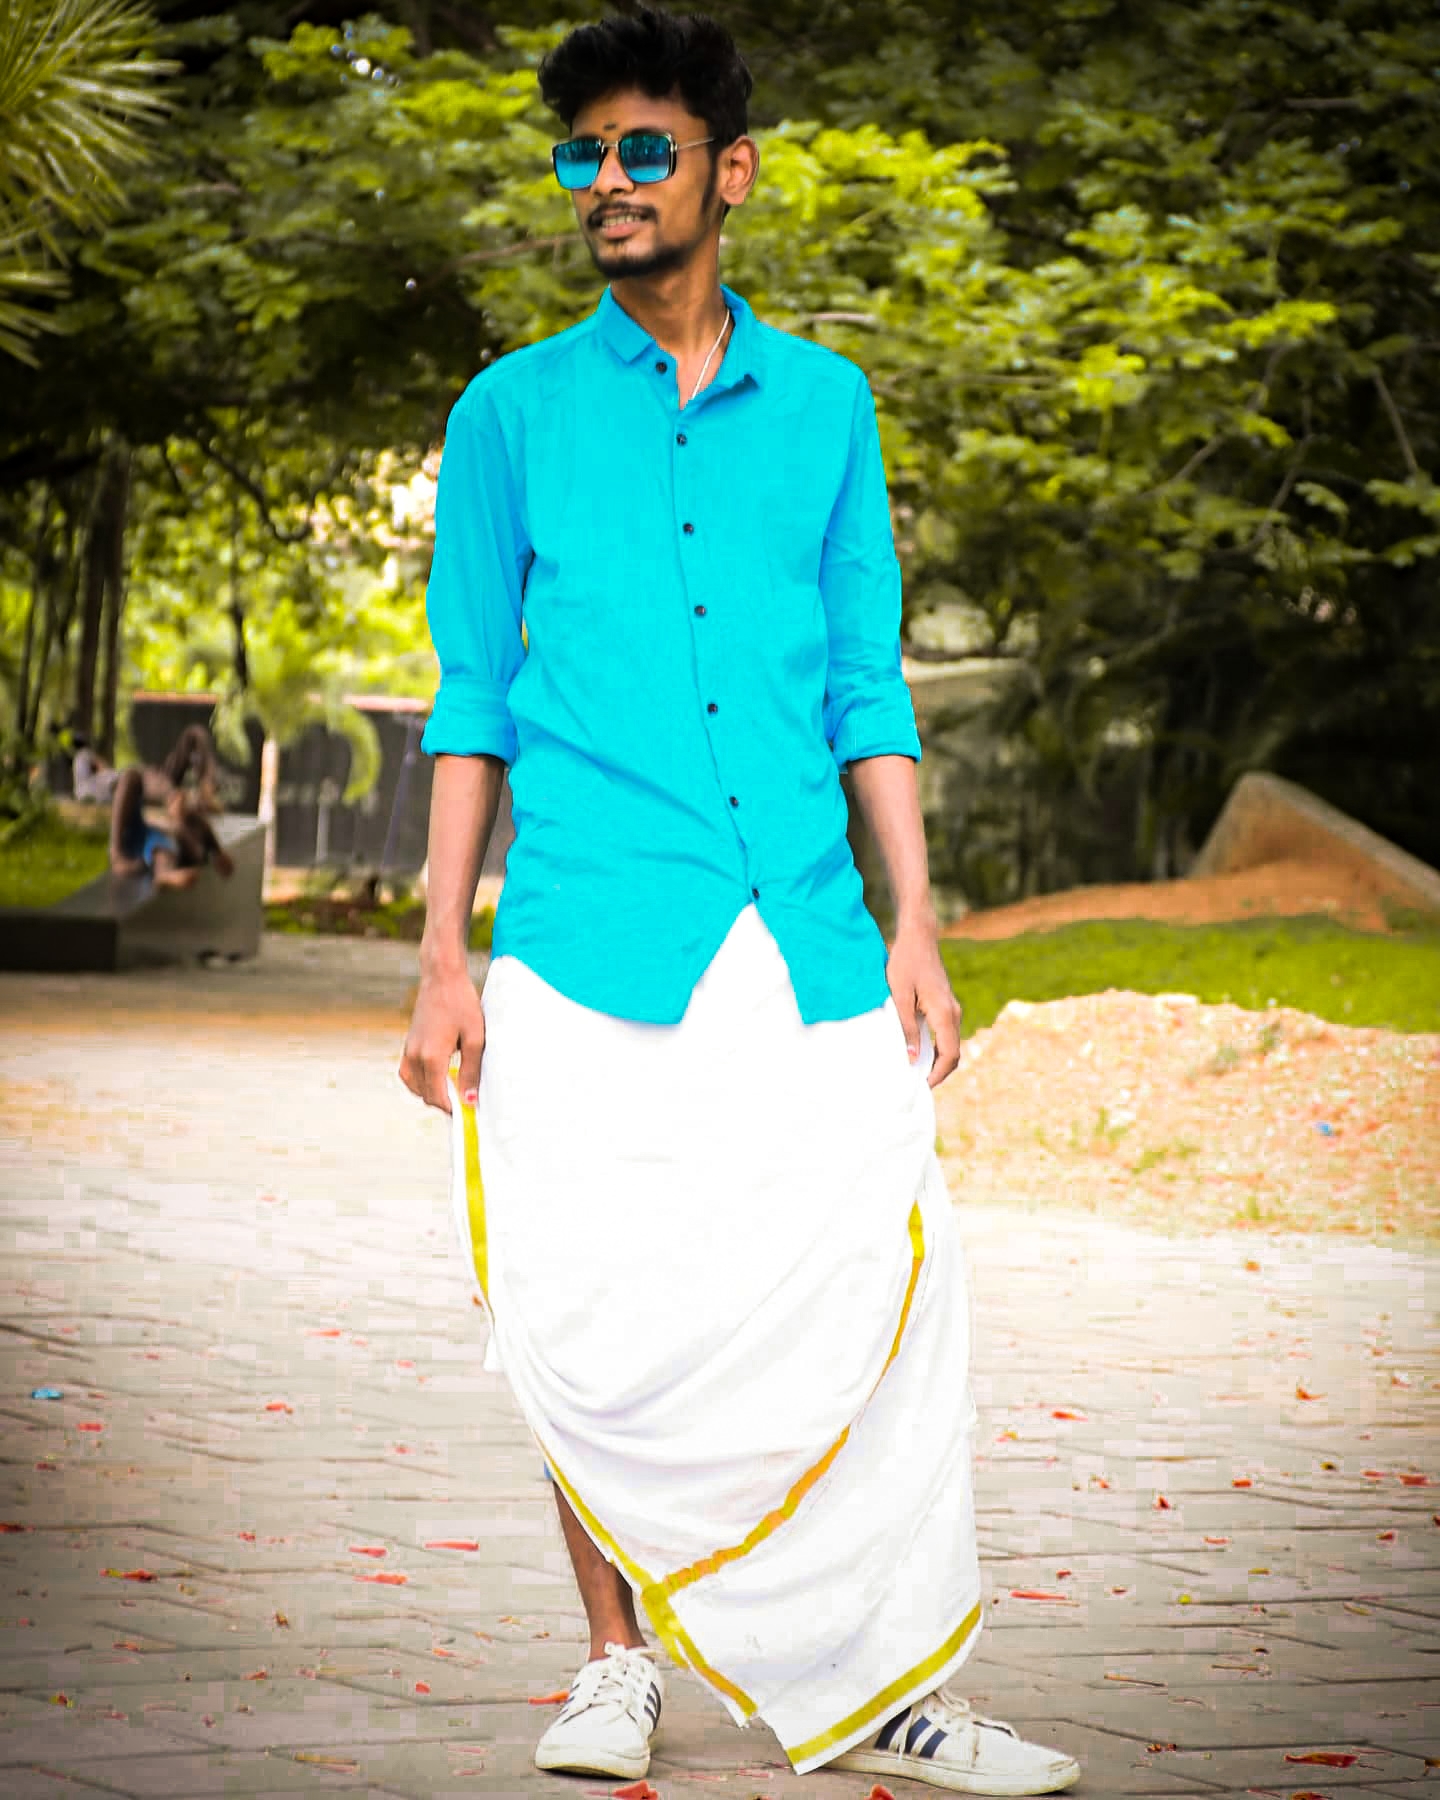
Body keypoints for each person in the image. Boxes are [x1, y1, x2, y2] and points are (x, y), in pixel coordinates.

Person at [400, 9, 1079, 1794]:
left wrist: (915, 919)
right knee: (591, 1308)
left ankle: (896, 1685)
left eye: (645, 149)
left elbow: (867, 683)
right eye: (584, 155)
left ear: (732, 172)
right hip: (585, 929)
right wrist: (442, 955)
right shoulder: (509, 415)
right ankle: (614, 1664)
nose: (608, 182)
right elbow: (472, 698)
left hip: (805, 928)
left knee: (875, 1290)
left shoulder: (831, 409)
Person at [108, 725, 233, 887]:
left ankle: (125, 858)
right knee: (194, 734)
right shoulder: (192, 827)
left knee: (132, 776)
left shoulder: (170, 840)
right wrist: (219, 854)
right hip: (149, 795)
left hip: (148, 827)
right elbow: (209, 839)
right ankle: (201, 790)